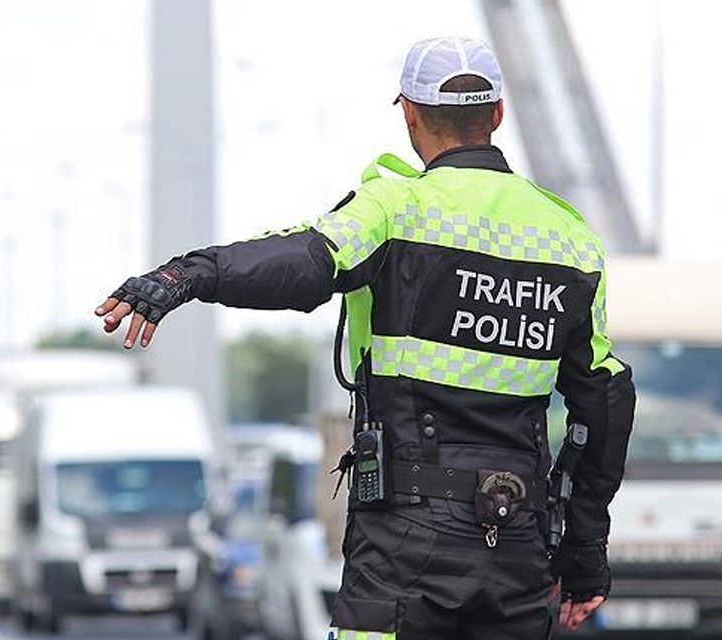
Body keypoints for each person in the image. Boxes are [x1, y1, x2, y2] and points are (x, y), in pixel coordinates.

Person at [95, 36, 635, 639]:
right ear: (498, 115)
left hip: (405, 542)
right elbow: (606, 399)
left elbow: (301, 262)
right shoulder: (570, 239)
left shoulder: (397, 207)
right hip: (518, 544)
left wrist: (186, 276)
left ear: (408, 112)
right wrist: (584, 547)